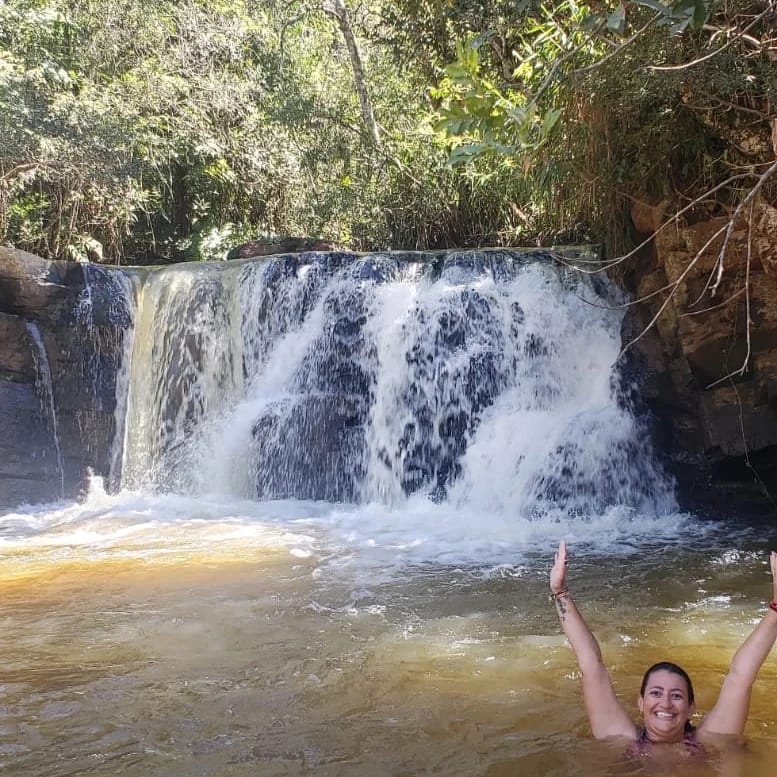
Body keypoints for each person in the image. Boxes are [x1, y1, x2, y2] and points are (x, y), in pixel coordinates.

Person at [549, 539, 777, 748]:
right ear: (640, 702)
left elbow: (741, 675)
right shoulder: (620, 739)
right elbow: (591, 664)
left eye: (677, 696)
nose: (665, 704)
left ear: (691, 709)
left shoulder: (709, 741)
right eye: (656, 693)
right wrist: (560, 592)